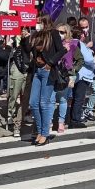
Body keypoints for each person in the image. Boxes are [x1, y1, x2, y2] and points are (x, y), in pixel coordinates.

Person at [29, 15, 66, 145]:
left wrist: (50, 63)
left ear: (45, 22)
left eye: (39, 22)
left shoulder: (53, 33)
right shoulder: (37, 34)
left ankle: (44, 133)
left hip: (47, 71)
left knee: (44, 103)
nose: (37, 24)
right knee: (33, 102)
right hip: (37, 71)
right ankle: (40, 131)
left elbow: (62, 50)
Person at [7, 28, 31, 138]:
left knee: (25, 98)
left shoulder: (31, 37)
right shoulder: (11, 35)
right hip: (17, 67)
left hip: (28, 69)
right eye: (23, 29)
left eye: (26, 29)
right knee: (14, 94)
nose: (24, 31)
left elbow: (29, 49)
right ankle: (10, 115)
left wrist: (27, 39)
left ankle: (19, 122)